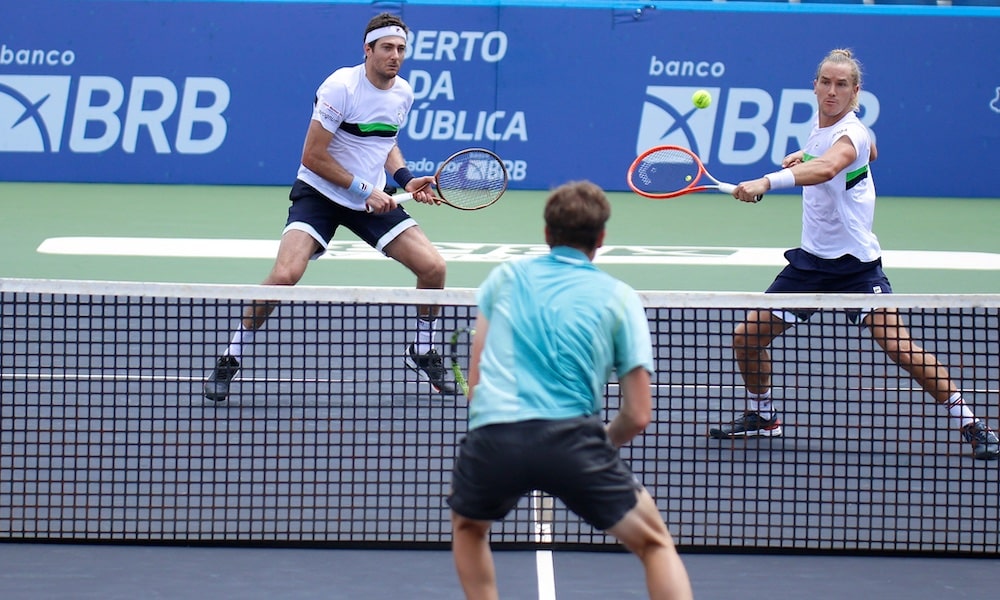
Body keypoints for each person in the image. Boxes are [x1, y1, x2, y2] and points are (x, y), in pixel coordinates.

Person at [712, 48, 999, 461]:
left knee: (900, 348)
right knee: (746, 339)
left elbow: (831, 168)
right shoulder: (825, 130)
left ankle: (972, 425)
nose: (832, 91)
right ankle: (764, 416)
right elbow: (862, 156)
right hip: (809, 265)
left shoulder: (852, 134)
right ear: (815, 86)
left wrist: (767, 181)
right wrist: (808, 155)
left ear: (855, 91)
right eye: (825, 82)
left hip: (856, 268)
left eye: (841, 84)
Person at [448, 181, 693, 600]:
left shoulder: (503, 278)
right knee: (654, 543)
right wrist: (602, 443)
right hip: (573, 442)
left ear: (547, 234)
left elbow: (477, 387)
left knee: (469, 528)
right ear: (600, 238)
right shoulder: (620, 298)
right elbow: (637, 414)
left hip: (495, 438)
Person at [203, 12, 455, 400]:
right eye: (387, 47)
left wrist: (404, 179)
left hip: (366, 200)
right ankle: (231, 356)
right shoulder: (340, 88)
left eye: (401, 49)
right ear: (367, 49)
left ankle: (422, 350)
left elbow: (383, 141)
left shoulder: (403, 92)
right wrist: (364, 189)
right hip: (320, 194)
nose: (395, 56)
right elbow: (312, 156)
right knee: (286, 275)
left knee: (433, 268)